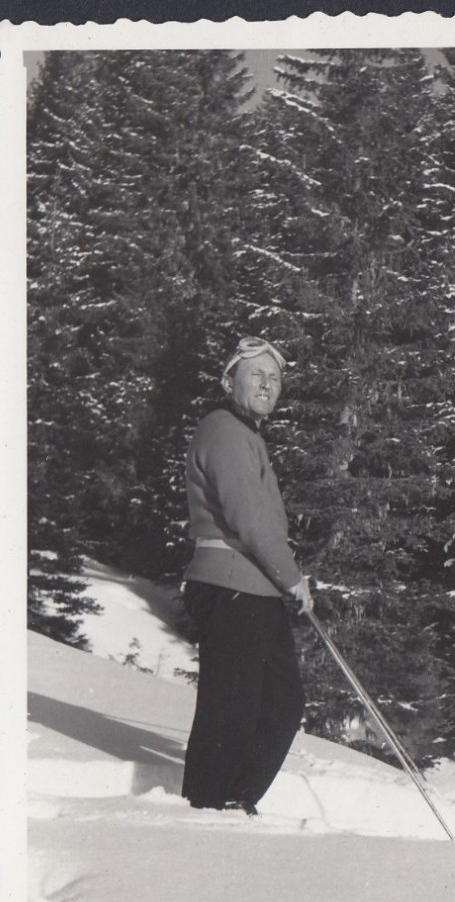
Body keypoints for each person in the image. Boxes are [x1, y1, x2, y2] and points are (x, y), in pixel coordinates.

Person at [181, 335, 312, 814]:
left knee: (281, 702)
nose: (267, 384)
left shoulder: (247, 435)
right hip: (232, 582)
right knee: (231, 707)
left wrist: (281, 579)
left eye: (274, 377)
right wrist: (291, 577)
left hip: (255, 587)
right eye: (255, 373)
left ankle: (234, 799)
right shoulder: (225, 430)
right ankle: (207, 804)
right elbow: (249, 518)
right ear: (228, 380)